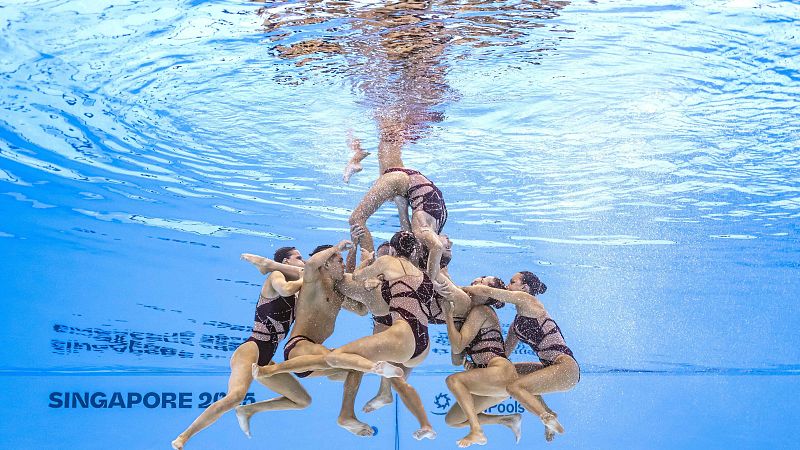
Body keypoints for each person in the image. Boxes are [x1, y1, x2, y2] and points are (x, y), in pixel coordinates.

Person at [171, 247, 310, 449]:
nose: (303, 261)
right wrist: (304, 278)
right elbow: (286, 290)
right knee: (235, 397)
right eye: (299, 258)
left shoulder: (300, 291)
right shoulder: (276, 275)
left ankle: (249, 410)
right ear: (285, 262)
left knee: (302, 400)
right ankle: (184, 437)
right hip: (251, 348)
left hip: (266, 359)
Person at [242, 241, 376, 437]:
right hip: (299, 346)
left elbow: (362, 309)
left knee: (355, 370)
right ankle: (271, 370)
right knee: (346, 358)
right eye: (339, 261)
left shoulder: (338, 294)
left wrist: (366, 276)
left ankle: (346, 415)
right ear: (327, 263)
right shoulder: (313, 280)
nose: (343, 266)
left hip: (313, 355)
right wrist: (337, 247)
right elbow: (312, 264)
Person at [461, 271, 579, 441]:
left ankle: (546, 418)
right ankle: (549, 412)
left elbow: (487, 292)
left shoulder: (529, 301)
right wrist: (475, 364)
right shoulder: (516, 326)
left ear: (524, 287)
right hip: (551, 367)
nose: (508, 285)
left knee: (515, 388)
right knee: (510, 373)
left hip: (567, 368)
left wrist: (461, 289)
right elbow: (503, 355)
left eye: (512, 281)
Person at [440, 276, 522, 448]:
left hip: (501, 371)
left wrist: (448, 316)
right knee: (452, 420)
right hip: (496, 383)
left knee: (454, 380)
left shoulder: (483, 310)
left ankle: (476, 430)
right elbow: (456, 359)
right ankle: (507, 419)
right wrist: (475, 366)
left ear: (487, 294)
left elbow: (457, 346)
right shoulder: (471, 314)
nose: (478, 279)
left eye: (484, 280)